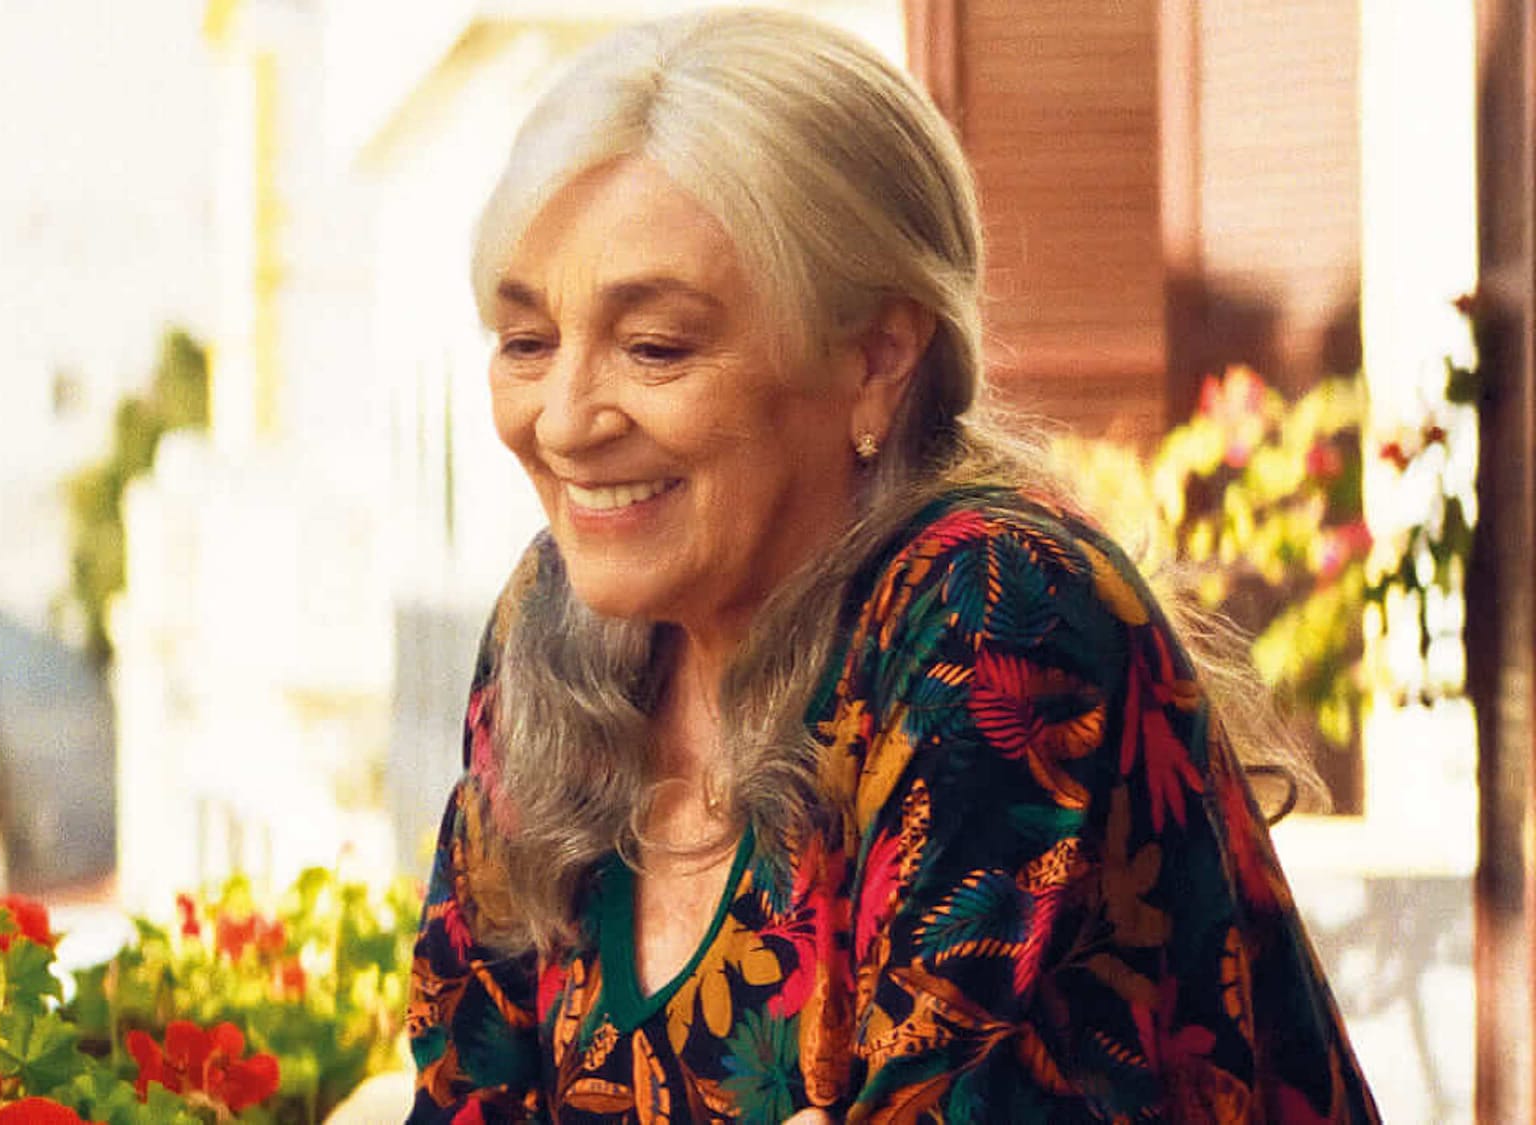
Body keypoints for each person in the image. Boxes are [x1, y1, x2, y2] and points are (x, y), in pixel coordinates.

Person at [405, 9, 1379, 1123]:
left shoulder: (996, 609)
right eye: (526, 343)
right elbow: (460, 1090)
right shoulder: (554, 622)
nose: (564, 422)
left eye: (655, 346)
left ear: (876, 358)